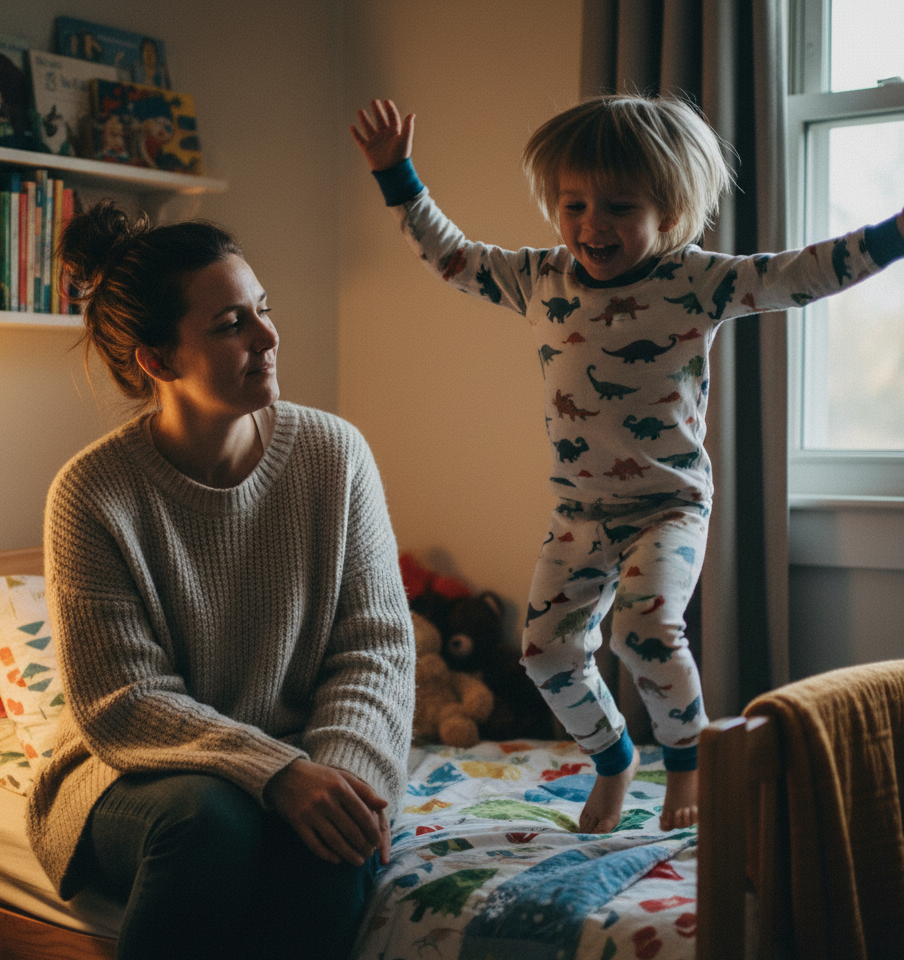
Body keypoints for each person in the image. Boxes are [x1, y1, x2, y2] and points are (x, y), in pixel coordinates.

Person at [351, 95, 904, 835]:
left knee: (643, 628)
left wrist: (894, 235)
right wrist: (398, 176)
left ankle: (686, 761)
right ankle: (613, 760)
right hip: (579, 512)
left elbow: (800, 274)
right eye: (573, 204)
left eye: (617, 206)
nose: (590, 225)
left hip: (669, 505)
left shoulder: (695, 280)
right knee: (545, 654)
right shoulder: (540, 276)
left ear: (668, 212)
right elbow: (453, 257)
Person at [25, 199, 415, 960]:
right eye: (233, 324)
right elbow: (123, 700)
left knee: (332, 846)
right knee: (213, 826)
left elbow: (374, 645)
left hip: (304, 759)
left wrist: (339, 774)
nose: (268, 338)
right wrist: (275, 772)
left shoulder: (334, 455)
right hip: (133, 773)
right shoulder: (92, 494)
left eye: (264, 310)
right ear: (158, 358)